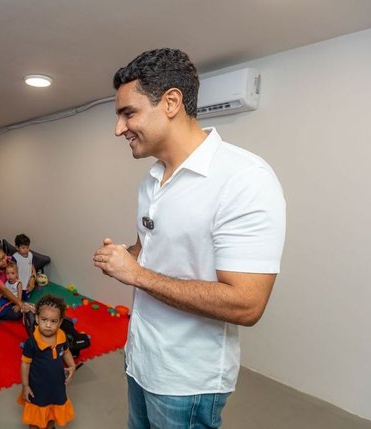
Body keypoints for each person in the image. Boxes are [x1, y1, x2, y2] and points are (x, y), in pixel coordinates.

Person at [93, 48, 286, 429]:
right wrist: (124, 257)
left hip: (187, 381)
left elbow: (247, 304)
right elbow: (150, 253)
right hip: (140, 359)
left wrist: (135, 274)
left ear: (171, 102)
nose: (119, 129)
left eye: (127, 113)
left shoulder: (244, 178)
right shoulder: (151, 180)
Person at [19, 294, 76, 429]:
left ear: (60, 322)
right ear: (37, 318)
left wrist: (72, 366)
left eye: (53, 321)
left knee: (51, 413)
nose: (48, 325)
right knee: (36, 417)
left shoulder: (62, 337)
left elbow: (66, 351)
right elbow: (25, 363)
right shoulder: (32, 342)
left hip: (56, 386)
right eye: (44, 319)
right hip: (37, 388)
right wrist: (25, 385)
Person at [12, 233, 37, 300]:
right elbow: (12, 272)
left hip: (27, 284)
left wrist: (33, 278)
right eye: (23, 248)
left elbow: (32, 268)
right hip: (18, 285)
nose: (26, 250)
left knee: (26, 299)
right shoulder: (15, 257)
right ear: (17, 247)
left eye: (27, 247)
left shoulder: (30, 255)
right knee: (17, 300)